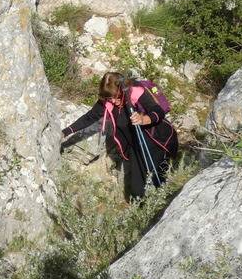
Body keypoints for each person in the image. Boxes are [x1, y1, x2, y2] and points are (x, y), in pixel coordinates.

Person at [61, 71, 178, 201]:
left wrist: (143, 119)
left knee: (158, 181)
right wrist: (65, 132)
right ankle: (144, 213)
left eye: (115, 96)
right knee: (137, 192)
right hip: (135, 147)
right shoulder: (107, 101)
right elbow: (89, 117)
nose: (113, 101)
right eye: (109, 98)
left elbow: (158, 111)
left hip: (156, 141)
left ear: (121, 89)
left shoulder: (135, 92)